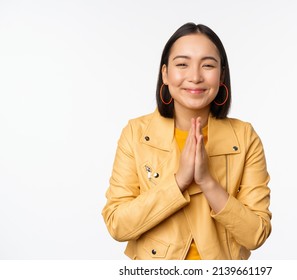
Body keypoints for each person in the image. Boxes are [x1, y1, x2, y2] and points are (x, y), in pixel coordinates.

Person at [102, 22, 272, 260]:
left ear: (221, 74)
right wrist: (179, 181)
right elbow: (117, 224)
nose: (195, 77)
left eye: (208, 65)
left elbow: (256, 234)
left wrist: (207, 182)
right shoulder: (136, 133)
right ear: (165, 74)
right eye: (182, 64)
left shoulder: (244, 137)